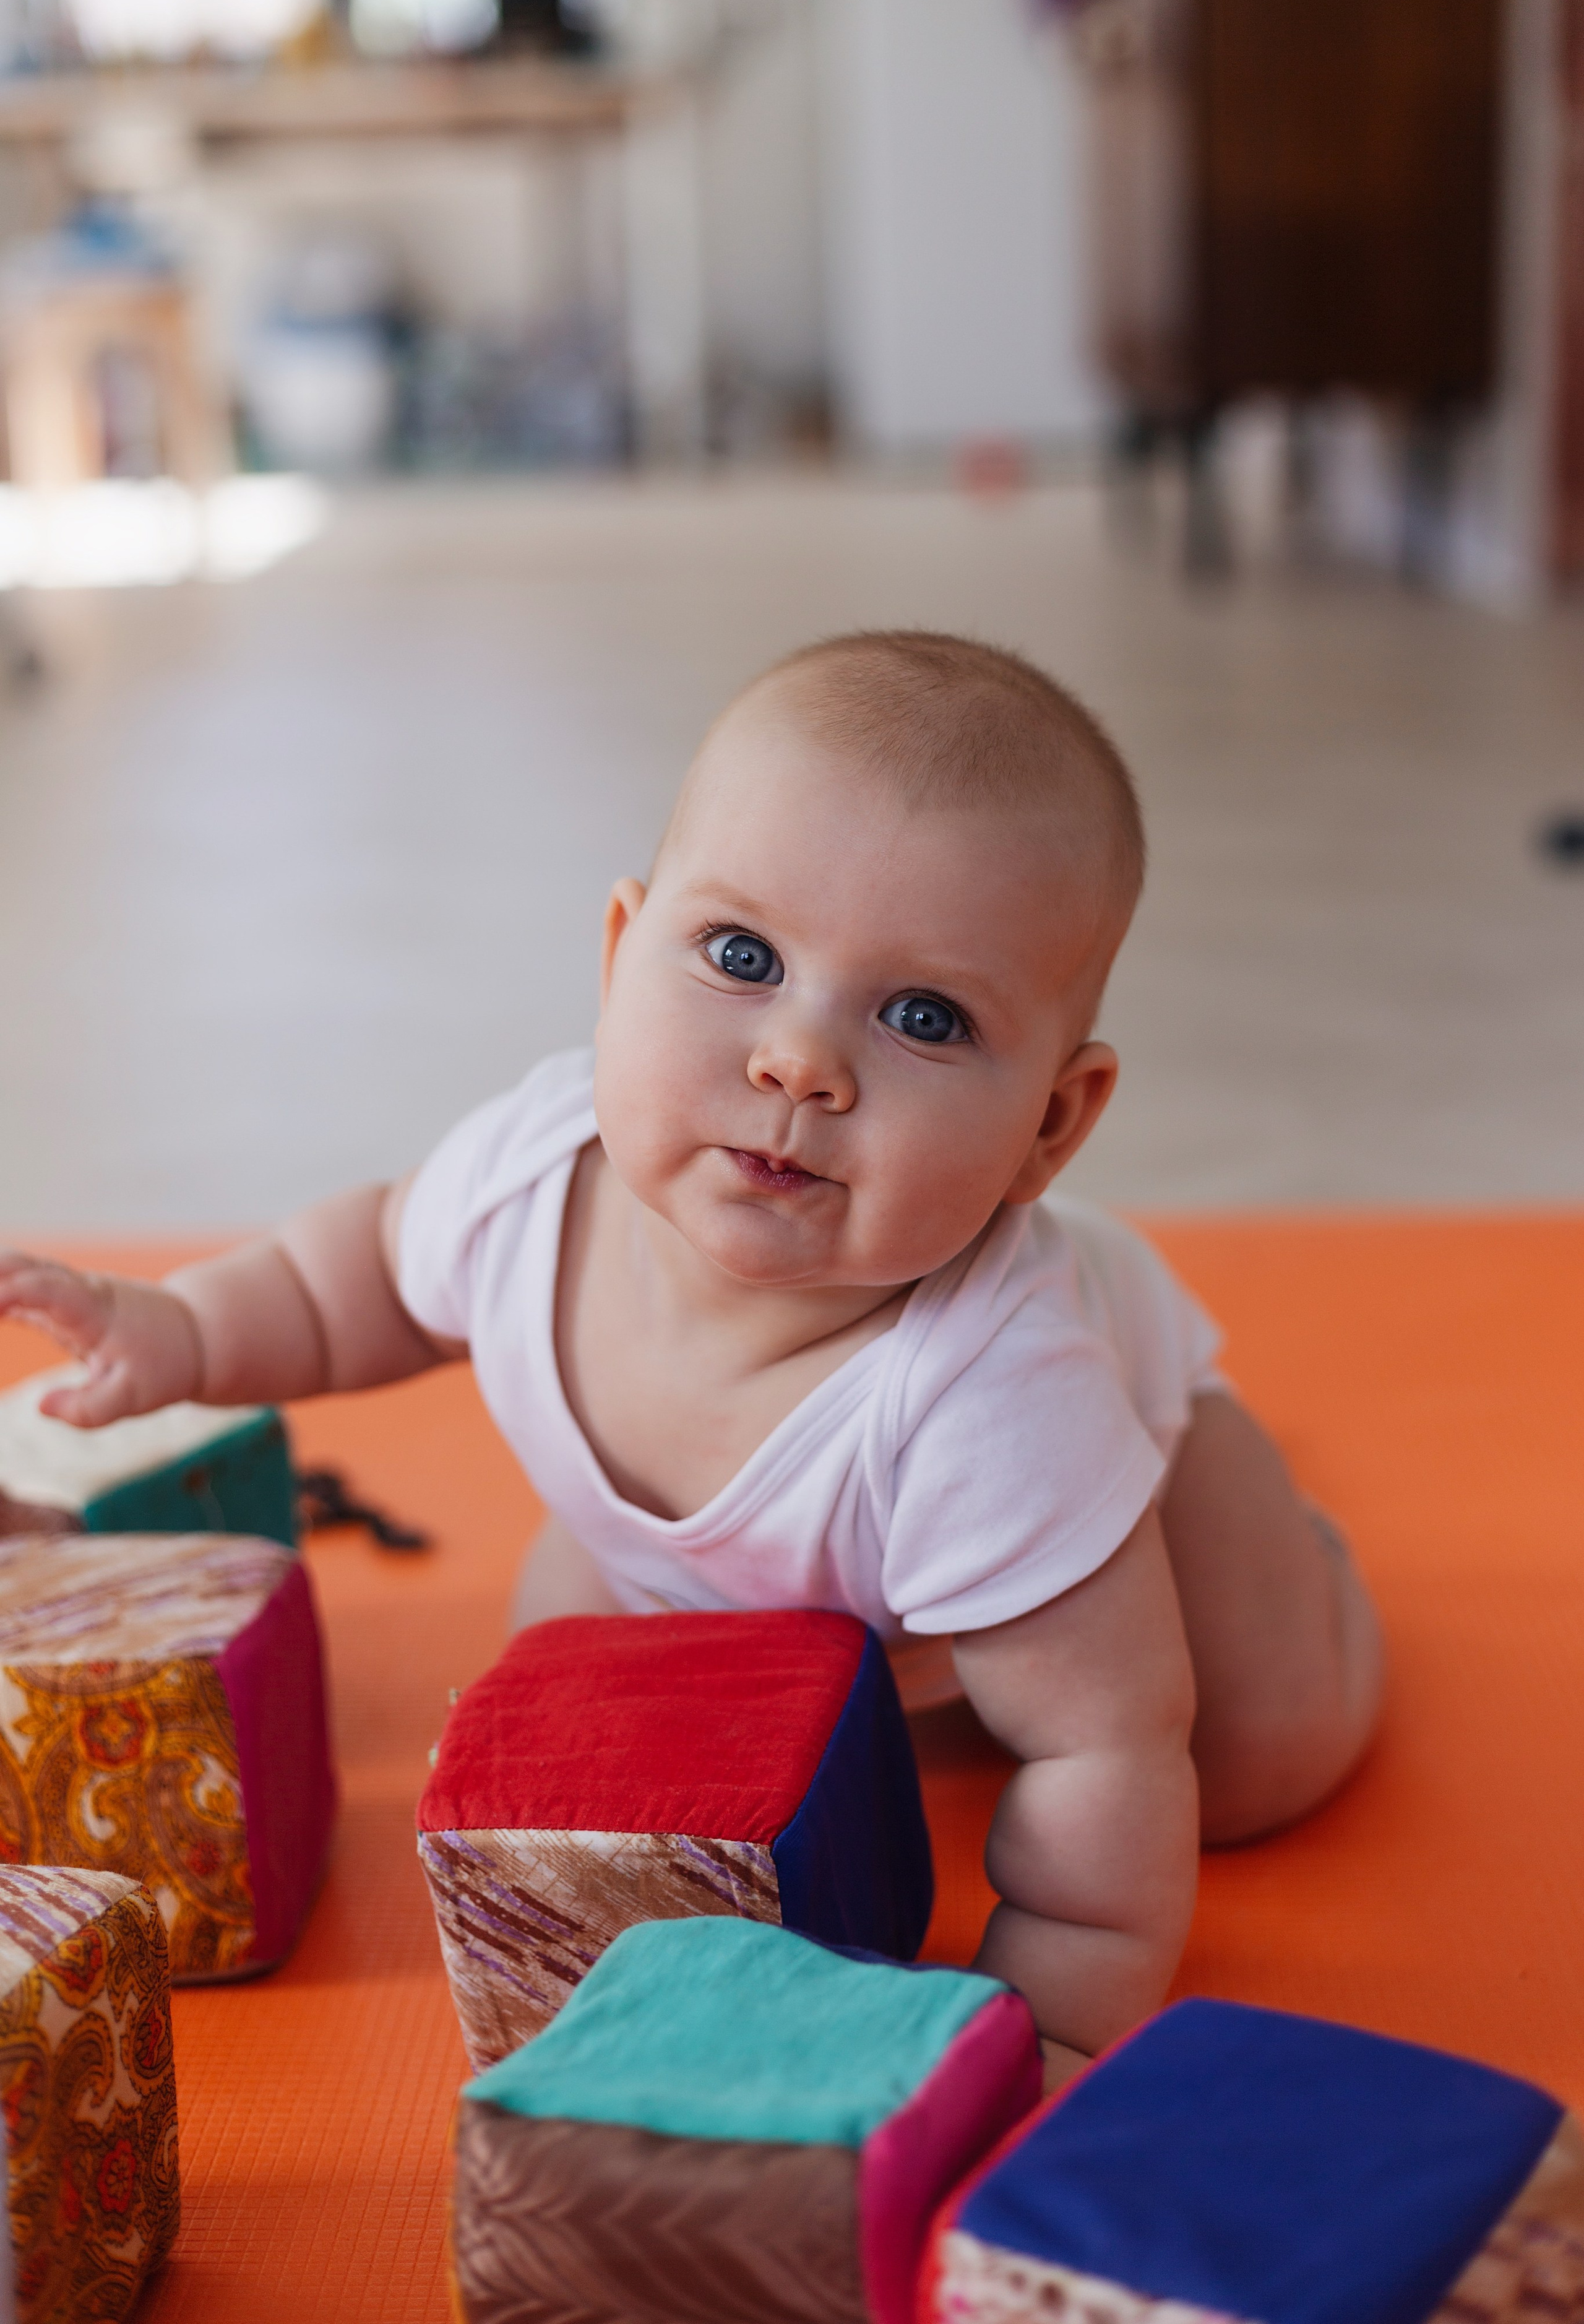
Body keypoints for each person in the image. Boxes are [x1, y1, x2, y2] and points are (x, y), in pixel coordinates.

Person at [0, 629, 1382, 2082]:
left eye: (922, 1017)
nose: (799, 1060)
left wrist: (1053, 2022)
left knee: (1238, 1756)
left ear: (1050, 1123)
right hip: (710, 1561)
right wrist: (182, 1332)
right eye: (741, 957)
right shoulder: (534, 1174)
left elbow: (1102, 1756)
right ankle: (846, 1652)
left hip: (1121, 1489)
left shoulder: (998, 1402)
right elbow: (349, 1278)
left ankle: (1298, 1557)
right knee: (558, 1711)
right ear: (617, 955)